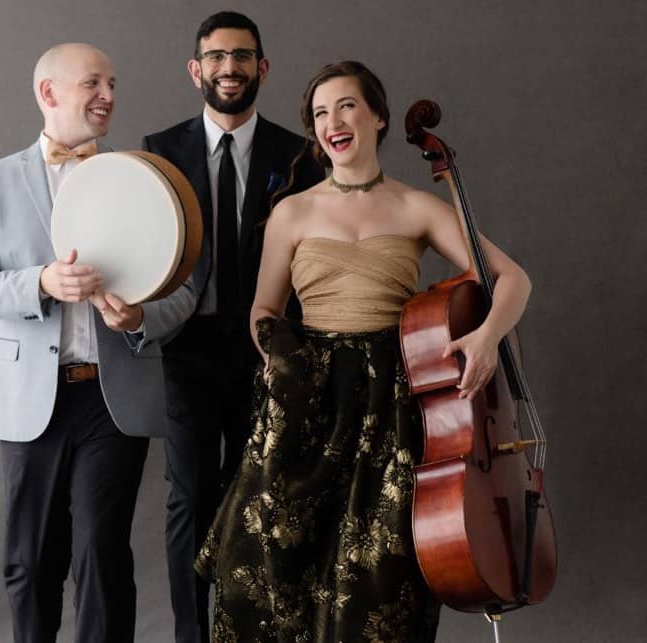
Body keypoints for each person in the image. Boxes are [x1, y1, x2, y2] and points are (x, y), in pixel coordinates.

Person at [195, 61, 533, 641]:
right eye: (321, 113)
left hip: (392, 399)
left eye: (346, 106)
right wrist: (280, 357)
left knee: (380, 574)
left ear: (376, 116)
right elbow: (263, 311)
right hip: (306, 395)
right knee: (262, 559)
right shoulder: (292, 212)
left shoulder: (416, 208)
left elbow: (513, 280)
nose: (334, 122)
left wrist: (485, 337)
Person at [0, 43, 196, 643]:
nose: (109, 94)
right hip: (27, 400)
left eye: (112, 82)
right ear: (49, 93)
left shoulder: (145, 176)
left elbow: (185, 289)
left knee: (101, 555)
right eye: (94, 82)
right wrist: (39, 281)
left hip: (111, 401)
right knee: (30, 560)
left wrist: (139, 317)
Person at [142, 12, 324, 642]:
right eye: (216, 57)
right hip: (187, 354)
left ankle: (258, 631)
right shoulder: (161, 151)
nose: (229, 68)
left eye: (242, 57)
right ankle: (191, 635)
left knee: (265, 498)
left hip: (268, 353)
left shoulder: (299, 156)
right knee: (189, 500)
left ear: (262, 68)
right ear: (196, 69)